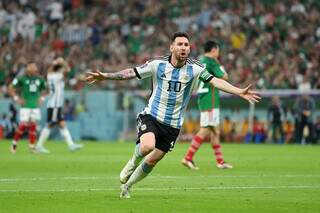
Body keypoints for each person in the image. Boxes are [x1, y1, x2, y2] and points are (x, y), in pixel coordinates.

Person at [85, 32, 260, 198]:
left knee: (153, 160)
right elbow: (131, 73)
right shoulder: (157, 64)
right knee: (147, 147)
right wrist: (106, 76)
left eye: (186, 45)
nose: (183, 47)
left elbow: (215, 81)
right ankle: (132, 162)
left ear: (189, 49)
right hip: (152, 116)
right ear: (172, 47)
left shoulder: (196, 68)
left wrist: (238, 91)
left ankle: (128, 186)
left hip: (173, 125)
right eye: (179, 44)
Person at [182, 40, 233, 170]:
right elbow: (224, 77)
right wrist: (220, 65)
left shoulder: (200, 60)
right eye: (218, 50)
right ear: (214, 50)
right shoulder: (211, 61)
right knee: (206, 128)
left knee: (215, 130)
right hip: (210, 98)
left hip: (203, 97)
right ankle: (188, 157)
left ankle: (220, 161)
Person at [36, 57, 83, 153]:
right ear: (59, 69)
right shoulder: (57, 75)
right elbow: (68, 70)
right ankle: (39, 146)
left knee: (62, 124)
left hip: (55, 104)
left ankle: (71, 145)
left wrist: (56, 63)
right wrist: (63, 62)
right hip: (55, 104)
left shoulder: (50, 75)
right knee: (50, 124)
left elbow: (52, 70)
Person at [8, 62, 46, 154]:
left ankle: (32, 147)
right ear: (27, 68)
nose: (34, 68)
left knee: (33, 126)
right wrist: (17, 98)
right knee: (23, 125)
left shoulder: (40, 79)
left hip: (35, 106)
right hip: (25, 106)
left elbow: (44, 89)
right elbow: (10, 87)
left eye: (35, 66)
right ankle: (14, 144)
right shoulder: (21, 78)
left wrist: (42, 98)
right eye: (32, 66)